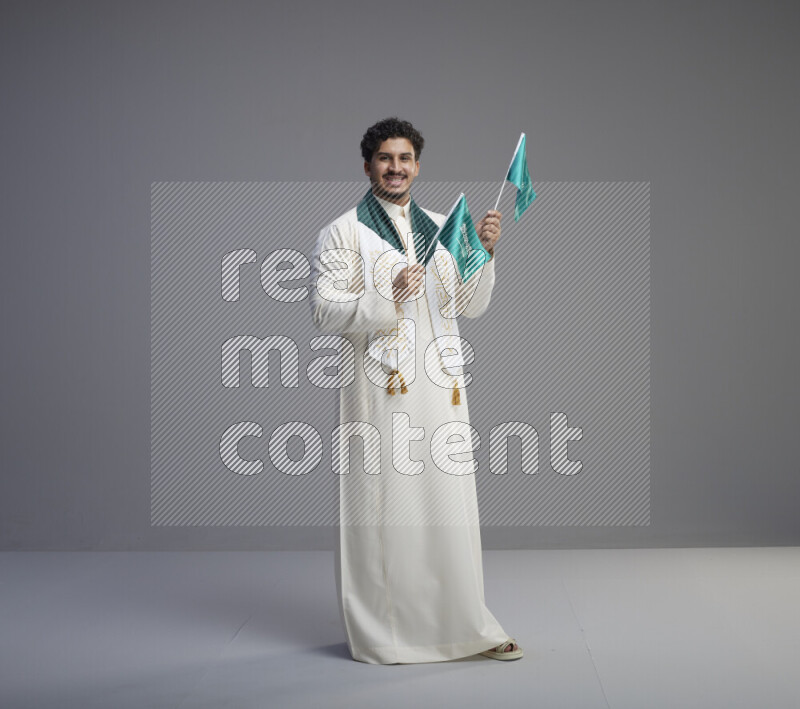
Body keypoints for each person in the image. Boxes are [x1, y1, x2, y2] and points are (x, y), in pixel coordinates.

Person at [309, 117, 522, 664]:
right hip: (380, 390)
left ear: (418, 165)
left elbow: (468, 305)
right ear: (367, 166)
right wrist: (387, 297)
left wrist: (486, 253)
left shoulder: (441, 226)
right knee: (385, 508)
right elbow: (323, 311)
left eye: (405, 158)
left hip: (439, 385)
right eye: (385, 158)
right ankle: (389, 634)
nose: (396, 167)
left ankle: (465, 626)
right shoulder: (342, 231)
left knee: (447, 507)